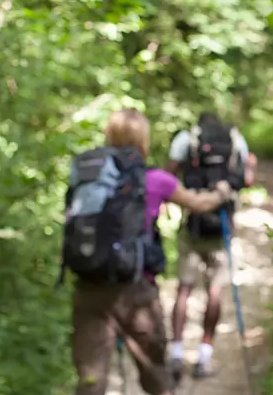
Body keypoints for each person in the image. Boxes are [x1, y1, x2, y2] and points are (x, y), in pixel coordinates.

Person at [67, 108, 233, 395]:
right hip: (136, 290)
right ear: (143, 139)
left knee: (91, 380)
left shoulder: (87, 176)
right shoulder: (155, 180)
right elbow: (199, 204)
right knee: (157, 375)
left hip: (88, 286)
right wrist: (221, 192)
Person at [165, 112, 251, 381]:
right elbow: (245, 178)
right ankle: (204, 356)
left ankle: (177, 353)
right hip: (223, 224)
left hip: (192, 225)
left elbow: (169, 177)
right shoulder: (235, 139)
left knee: (184, 289)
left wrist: (188, 199)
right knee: (215, 291)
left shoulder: (185, 138)